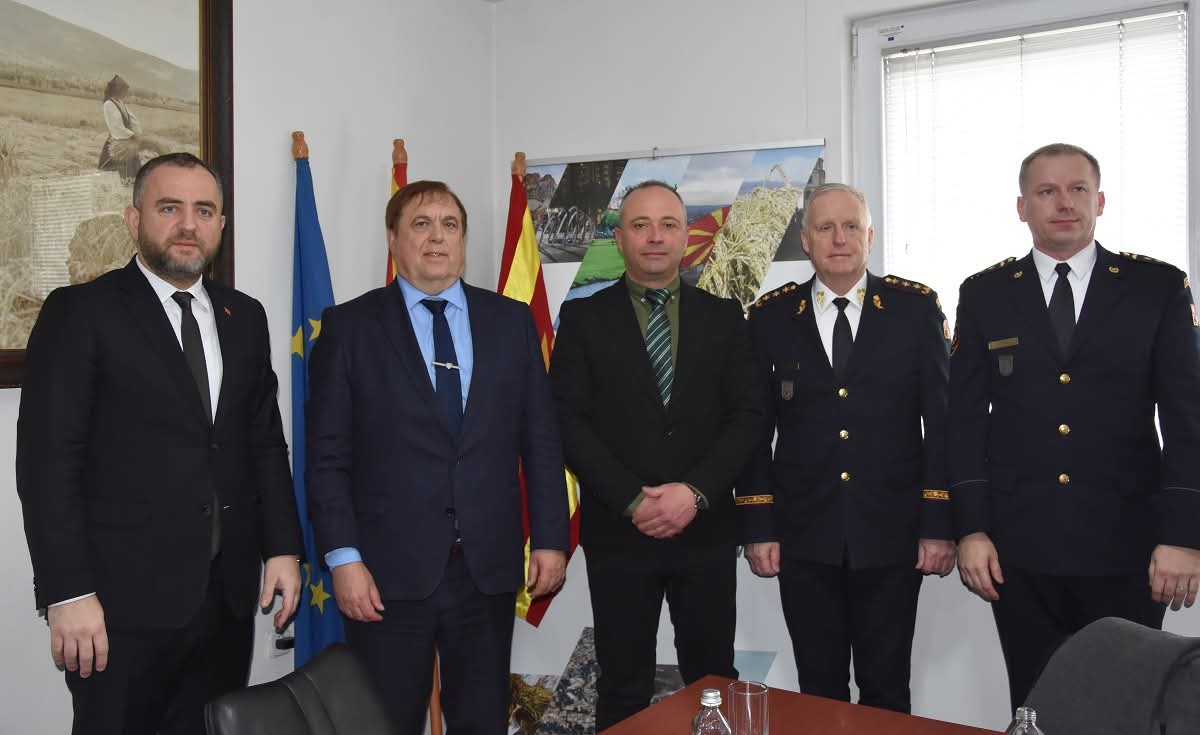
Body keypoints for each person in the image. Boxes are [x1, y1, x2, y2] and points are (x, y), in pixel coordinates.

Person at [16, 152, 302, 735]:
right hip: (118, 608)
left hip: (225, 600)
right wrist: (67, 592)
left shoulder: (244, 317)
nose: (188, 225)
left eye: (205, 210)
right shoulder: (81, 313)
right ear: (134, 219)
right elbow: (48, 465)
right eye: (170, 208)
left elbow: (264, 444)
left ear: (221, 224)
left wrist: (282, 548)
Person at [305, 180, 569, 733]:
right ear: (392, 239)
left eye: (450, 225)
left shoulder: (510, 321)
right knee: (386, 722)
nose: (437, 237)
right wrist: (343, 559)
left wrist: (550, 538)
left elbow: (541, 441)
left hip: (486, 568)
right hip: (385, 573)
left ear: (463, 240)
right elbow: (327, 457)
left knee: (482, 719)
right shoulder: (349, 327)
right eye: (421, 224)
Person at [949, 142, 1200, 709]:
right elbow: (962, 423)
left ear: (1099, 201)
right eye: (1047, 191)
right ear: (1023, 208)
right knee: (1035, 703)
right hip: (1019, 549)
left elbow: (1187, 420)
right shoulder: (985, 294)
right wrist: (971, 529)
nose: (1064, 203)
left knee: (1126, 705)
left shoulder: (1157, 288)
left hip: (1128, 546)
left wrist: (1184, 536)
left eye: (1077, 189)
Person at [549, 180, 763, 730]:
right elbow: (566, 421)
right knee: (622, 685)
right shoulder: (582, 319)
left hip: (705, 531)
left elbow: (749, 416)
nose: (655, 237)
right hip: (619, 534)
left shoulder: (725, 317)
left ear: (686, 237)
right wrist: (630, 499)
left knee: (713, 683)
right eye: (640, 225)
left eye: (668, 225)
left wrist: (695, 493)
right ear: (619, 238)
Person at [737, 183, 955, 713]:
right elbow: (752, 430)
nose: (839, 239)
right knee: (818, 688)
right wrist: (759, 524)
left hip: (892, 535)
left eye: (851, 226)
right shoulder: (770, 317)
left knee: (887, 688)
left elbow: (943, 424)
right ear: (806, 240)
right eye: (826, 228)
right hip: (804, 536)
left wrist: (939, 522)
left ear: (870, 237)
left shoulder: (914, 309)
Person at [97, 74, 142, 183]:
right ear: (117, 90)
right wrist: (132, 135)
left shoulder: (120, 103)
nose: (125, 93)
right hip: (117, 142)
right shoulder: (109, 104)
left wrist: (138, 133)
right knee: (115, 172)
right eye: (124, 90)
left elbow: (132, 119)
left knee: (133, 169)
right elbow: (116, 127)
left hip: (127, 140)